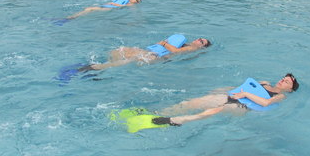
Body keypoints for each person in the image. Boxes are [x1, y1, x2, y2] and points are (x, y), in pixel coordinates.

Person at [151, 73, 299, 126]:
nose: (282, 81)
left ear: (290, 89)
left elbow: (265, 103)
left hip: (242, 106)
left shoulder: (281, 96)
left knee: (214, 110)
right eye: (283, 78)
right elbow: (241, 87)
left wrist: (246, 96)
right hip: (233, 96)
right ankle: (158, 112)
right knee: (193, 102)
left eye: (287, 82)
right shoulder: (264, 82)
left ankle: (177, 120)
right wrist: (223, 90)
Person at [83, 36, 212, 72]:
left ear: (202, 46)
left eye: (201, 41)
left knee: (130, 59)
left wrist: (164, 44)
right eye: (199, 38)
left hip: (158, 57)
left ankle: (92, 68)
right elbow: (160, 45)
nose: (198, 40)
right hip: (152, 51)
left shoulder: (193, 49)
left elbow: (176, 51)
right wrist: (162, 43)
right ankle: (101, 69)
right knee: (119, 50)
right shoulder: (183, 42)